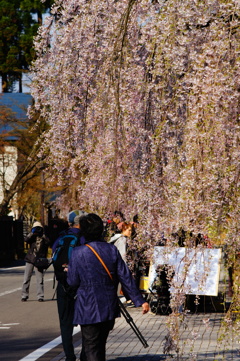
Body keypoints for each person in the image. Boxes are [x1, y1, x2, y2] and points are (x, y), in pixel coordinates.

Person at [67, 213, 149, 361]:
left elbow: (72, 281)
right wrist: (139, 300)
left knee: (91, 346)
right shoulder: (111, 250)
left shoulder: (78, 253)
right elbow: (125, 276)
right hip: (108, 305)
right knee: (99, 345)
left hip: (87, 305)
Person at [52, 210, 88, 361]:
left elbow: (53, 255)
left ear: (70, 223)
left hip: (62, 285)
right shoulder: (84, 238)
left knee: (65, 323)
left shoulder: (60, 238)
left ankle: (69, 356)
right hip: (81, 286)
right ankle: (84, 356)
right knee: (87, 322)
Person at [21, 221, 50, 302]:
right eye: (35, 228)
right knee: (26, 278)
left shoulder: (44, 237)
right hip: (30, 259)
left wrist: (42, 234)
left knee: (40, 279)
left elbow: (48, 242)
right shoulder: (32, 237)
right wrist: (32, 233)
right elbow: (26, 240)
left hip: (39, 260)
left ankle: (40, 296)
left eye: (39, 228)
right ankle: (24, 295)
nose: (37, 230)